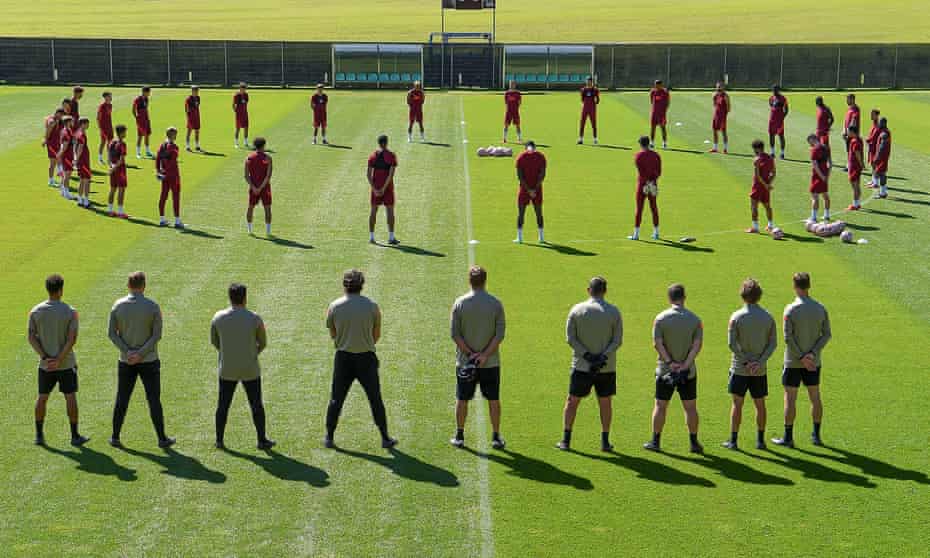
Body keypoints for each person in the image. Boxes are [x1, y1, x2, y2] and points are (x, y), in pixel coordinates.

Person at [324, 270, 397, 449]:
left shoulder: (334, 306)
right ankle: (385, 437)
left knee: (336, 399)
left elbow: (333, 333)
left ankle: (329, 437)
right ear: (362, 285)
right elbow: (376, 335)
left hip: (343, 358)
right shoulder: (372, 306)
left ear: (344, 285)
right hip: (366, 358)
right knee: (375, 398)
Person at [108, 271, 174, 449]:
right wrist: (141, 353)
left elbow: (111, 334)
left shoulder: (117, 306)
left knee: (122, 398)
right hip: (149, 361)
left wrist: (129, 352)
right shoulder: (152, 306)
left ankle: (115, 437)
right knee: (153, 399)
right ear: (144, 285)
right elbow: (156, 335)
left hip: (126, 361)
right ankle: (162, 438)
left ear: (128, 285)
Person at [557, 276, 623, 452]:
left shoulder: (577, 310)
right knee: (605, 402)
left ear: (589, 290)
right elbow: (617, 341)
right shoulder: (614, 312)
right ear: (605, 291)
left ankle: (566, 440)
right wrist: (602, 357)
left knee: (572, 401)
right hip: (606, 367)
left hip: (581, 366)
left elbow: (570, 339)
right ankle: (605, 442)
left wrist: (587, 355)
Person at [211, 283, 274, 450]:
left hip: (227, 368)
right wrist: (252, 354)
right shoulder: (255, 318)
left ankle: (219, 440)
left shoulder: (218, 317)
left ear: (229, 297)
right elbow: (263, 343)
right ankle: (261, 440)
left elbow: (215, 342)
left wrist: (227, 353)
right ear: (245, 298)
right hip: (250, 367)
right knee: (256, 404)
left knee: (223, 405)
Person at [28, 274, 88, 447]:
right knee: (70, 397)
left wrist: (46, 358)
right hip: (66, 364)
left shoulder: (35, 311)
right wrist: (59, 359)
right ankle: (75, 436)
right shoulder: (70, 312)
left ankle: (39, 436)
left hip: (45, 365)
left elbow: (31, 337)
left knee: (42, 397)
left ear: (48, 289)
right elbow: (72, 339)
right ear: (61, 290)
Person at [449, 266, 506, 449]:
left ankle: (459, 435)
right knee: (493, 399)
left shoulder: (460, 303)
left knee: (462, 398)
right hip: (490, 363)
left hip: (466, 363)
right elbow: (499, 335)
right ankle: (496, 436)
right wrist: (484, 355)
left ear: (470, 281)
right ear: (485, 280)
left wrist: (470, 355)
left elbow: (455, 334)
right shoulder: (496, 304)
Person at [773, 272, 831, 448]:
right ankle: (816, 436)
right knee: (815, 396)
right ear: (809, 285)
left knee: (790, 399)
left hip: (793, 362)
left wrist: (800, 356)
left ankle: (788, 437)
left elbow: (787, 337)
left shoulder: (791, 309)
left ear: (795, 286)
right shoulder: (820, 308)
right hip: (814, 363)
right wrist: (812, 354)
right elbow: (826, 334)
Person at [645, 283, 704, 454]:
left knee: (660, 406)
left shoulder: (660, 319)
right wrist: (685, 365)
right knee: (690, 408)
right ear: (684, 297)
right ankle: (694, 443)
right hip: (688, 373)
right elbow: (697, 345)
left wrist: (670, 363)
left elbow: (657, 343)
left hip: (665, 372)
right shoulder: (695, 320)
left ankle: (655, 442)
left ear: (669, 298)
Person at [723, 279, 777, 450]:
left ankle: (733, 441)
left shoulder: (736, 317)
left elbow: (732, 344)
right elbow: (773, 344)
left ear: (743, 295)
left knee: (737, 404)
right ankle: (760, 441)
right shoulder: (768, 317)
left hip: (739, 368)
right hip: (759, 371)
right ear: (759, 295)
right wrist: (758, 362)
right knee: (760, 404)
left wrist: (746, 361)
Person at [367, 134, 399, 244]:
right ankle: (391, 237)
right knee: (390, 211)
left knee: (373, 211)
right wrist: (384, 188)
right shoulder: (391, 156)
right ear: (386, 142)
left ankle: (371, 237)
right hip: (387, 188)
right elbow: (391, 175)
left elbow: (368, 175)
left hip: (376, 187)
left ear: (379, 143)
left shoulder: (372, 156)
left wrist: (375, 189)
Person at [513, 141, 546, 244]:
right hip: (537, 189)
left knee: (521, 213)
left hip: (524, 189)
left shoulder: (520, 157)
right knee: (539, 213)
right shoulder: (541, 157)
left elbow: (520, 177)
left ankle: (520, 237)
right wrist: (535, 189)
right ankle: (541, 237)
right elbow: (542, 175)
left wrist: (528, 190)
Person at [629, 135, 660, 241]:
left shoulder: (638, 155)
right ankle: (656, 233)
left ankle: (636, 234)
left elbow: (641, 171)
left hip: (642, 185)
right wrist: (652, 181)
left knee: (639, 209)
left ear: (641, 144)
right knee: (654, 208)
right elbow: (659, 171)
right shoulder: (656, 155)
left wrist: (646, 182)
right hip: (653, 184)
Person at [156, 127, 184, 229]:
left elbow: (157, 159)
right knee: (175, 197)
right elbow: (172, 162)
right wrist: (167, 173)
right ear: (172, 135)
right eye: (175, 134)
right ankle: (177, 221)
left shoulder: (162, 145)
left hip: (164, 175)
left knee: (163, 196)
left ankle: (162, 219)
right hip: (173, 175)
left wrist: (159, 171)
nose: (176, 136)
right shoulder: (174, 147)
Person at [245, 137, 273, 236]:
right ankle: (268, 232)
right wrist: (261, 188)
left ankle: (249, 230)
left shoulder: (248, 158)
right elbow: (268, 176)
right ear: (264, 145)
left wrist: (253, 187)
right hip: (265, 188)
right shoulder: (268, 158)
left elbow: (246, 176)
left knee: (250, 207)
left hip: (253, 188)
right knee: (267, 209)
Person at [747, 139, 776, 233]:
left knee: (754, 206)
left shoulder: (757, 159)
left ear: (757, 148)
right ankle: (770, 225)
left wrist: (765, 185)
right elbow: (774, 173)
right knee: (767, 206)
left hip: (757, 186)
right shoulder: (770, 158)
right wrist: (769, 184)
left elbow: (758, 176)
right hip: (766, 187)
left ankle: (755, 227)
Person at [107, 124, 129, 218]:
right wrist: (114, 168)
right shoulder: (122, 144)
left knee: (112, 189)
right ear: (121, 132)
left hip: (113, 168)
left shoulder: (111, 142)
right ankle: (120, 212)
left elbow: (108, 156)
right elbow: (121, 159)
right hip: (119, 169)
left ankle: (110, 210)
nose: (126, 134)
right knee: (121, 189)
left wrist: (111, 167)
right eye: (125, 132)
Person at [807, 134, 831, 222]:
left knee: (814, 197)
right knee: (825, 195)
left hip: (817, 176)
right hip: (825, 175)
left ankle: (813, 217)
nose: (810, 144)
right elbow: (830, 163)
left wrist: (821, 176)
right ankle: (826, 215)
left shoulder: (814, 150)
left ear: (813, 139)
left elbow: (815, 165)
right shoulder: (826, 148)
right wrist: (827, 176)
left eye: (809, 142)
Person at [72, 117, 93, 208]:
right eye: (87, 124)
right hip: (83, 160)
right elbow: (80, 148)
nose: (88, 125)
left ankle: (80, 199)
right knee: (87, 180)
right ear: (83, 124)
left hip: (81, 160)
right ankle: (86, 201)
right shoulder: (81, 135)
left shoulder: (77, 133)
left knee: (82, 180)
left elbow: (74, 146)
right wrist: (77, 159)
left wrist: (75, 158)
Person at [55, 115, 75, 200]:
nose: (73, 122)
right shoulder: (66, 132)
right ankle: (66, 193)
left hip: (67, 155)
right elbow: (65, 145)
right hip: (67, 156)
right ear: (68, 122)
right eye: (71, 121)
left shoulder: (66, 130)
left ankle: (63, 191)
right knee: (67, 175)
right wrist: (60, 154)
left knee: (65, 174)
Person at [43, 108, 64, 187]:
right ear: (57, 113)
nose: (62, 116)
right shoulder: (52, 121)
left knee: (57, 161)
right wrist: (45, 140)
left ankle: (54, 178)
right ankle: (50, 181)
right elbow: (48, 133)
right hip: (52, 144)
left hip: (57, 143)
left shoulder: (58, 120)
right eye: (61, 114)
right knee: (53, 162)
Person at [872, 117, 892, 199]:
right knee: (880, 173)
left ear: (884, 123)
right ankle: (883, 191)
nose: (879, 124)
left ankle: (883, 193)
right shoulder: (885, 132)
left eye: (880, 123)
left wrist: (877, 157)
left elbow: (882, 147)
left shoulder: (884, 134)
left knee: (881, 173)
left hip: (882, 157)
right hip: (883, 157)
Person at [846, 125, 864, 211]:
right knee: (856, 185)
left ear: (852, 132)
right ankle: (857, 203)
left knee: (855, 185)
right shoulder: (859, 139)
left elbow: (857, 154)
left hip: (854, 166)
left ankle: (855, 204)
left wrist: (861, 164)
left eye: (848, 131)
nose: (847, 133)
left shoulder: (855, 141)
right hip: (856, 166)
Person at [768, 85, 789, 159]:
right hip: (772, 120)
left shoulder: (783, 98)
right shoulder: (771, 98)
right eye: (773, 90)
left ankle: (782, 153)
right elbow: (771, 106)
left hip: (779, 121)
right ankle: (772, 152)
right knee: (771, 135)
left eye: (775, 90)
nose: (774, 91)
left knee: (781, 136)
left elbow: (786, 110)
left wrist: (782, 118)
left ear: (778, 90)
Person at [649, 80, 670, 149]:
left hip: (661, 114)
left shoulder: (665, 92)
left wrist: (664, 111)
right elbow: (652, 101)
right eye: (655, 85)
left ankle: (664, 143)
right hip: (654, 113)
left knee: (663, 128)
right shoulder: (653, 92)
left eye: (657, 85)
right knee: (653, 128)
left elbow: (667, 103)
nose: (656, 87)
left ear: (661, 85)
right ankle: (652, 143)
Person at [132, 86, 153, 158]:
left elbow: (146, 108)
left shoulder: (147, 99)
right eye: (148, 92)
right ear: (144, 92)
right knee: (140, 136)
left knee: (147, 135)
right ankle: (138, 153)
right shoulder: (137, 99)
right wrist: (137, 117)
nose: (149, 94)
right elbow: (133, 109)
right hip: (140, 120)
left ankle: (147, 151)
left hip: (146, 119)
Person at [578, 77, 599, 145]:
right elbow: (582, 99)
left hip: (592, 108)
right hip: (585, 108)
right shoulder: (583, 90)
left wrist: (595, 102)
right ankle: (580, 139)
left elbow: (598, 100)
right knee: (582, 122)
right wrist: (586, 104)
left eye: (590, 81)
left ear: (592, 82)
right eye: (587, 81)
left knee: (593, 123)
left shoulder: (595, 90)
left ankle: (595, 139)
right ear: (586, 82)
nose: (588, 82)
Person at [710, 82, 730, 153]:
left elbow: (728, 107)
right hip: (716, 115)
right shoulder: (715, 95)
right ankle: (715, 148)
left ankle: (725, 149)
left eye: (720, 87)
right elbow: (714, 104)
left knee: (723, 132)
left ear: (723, 88)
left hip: (723, 116)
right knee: (714, 131)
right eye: (718, 87)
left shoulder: (725, 96)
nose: (718, 88)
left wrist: (724, 115)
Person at [815, 96, 835, 166]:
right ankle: (819, 159)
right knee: (817, 145)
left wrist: (828, 127)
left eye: (817, 102)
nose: (816, 103)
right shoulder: (818, 108)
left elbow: (832, 119)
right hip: (818, 131)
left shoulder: (826, 109)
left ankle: (829, 161)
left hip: (824, 132)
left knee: (826, 146)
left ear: (820, 101)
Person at [96, 91, 114, 165]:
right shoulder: (102, 106)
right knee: (104, 142)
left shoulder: (110, 105)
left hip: (110, 126)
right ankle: (100, 158)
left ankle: (109, 158)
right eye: (110, 96)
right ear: (106, 97)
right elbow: (98, 118)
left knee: (110, 142)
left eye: (111, 96)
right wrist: (100, 128)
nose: (111, 97)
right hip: (103, 127)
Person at [865, 108, 881, 189]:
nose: (871, 115)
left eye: (872, 114)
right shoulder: (874, 124)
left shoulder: (877, 125)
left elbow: (874, 137)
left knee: (875, 165)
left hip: (875, 148)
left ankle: (876, 183)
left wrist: (868, 140)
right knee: (872, 164)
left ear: (877, 115)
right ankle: (873, 180)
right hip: (872, 147)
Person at [842, 94, 860, 161]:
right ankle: (849, 165)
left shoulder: (856, 109)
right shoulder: (849, 109)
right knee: (848, 150)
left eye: (848, 99)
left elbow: (853, 121)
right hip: (848, 133)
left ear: (852, 99)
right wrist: (844, 131)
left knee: (853, 150)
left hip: (852, 133)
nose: (846, 101)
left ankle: (853, 165)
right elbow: (846, 120)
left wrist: (849, 132)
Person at [185, 85, 202, 152]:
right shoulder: (188, 99)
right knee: (189, 132)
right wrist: (188, 117)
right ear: (192, 91)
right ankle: (187, 146)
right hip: (191, 117)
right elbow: (187, 109)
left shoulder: (198, 98)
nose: (196, 92)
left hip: (197, 116)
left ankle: (197, 145)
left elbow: (197, 106)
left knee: (197, 131)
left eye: (197, 91)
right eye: (195, 91)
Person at [233, 82, 250, 149]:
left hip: (245, 113)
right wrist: (236, 112)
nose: (244, 90)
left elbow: (246, 103)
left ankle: (245, 142)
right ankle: (236, 143)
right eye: (242, 88)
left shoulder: (246, 95)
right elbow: (233, 105)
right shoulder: (236, 95)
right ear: (240, 88)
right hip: (239, 115)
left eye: (245, 89)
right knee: (238, 128)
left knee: (246, 127)